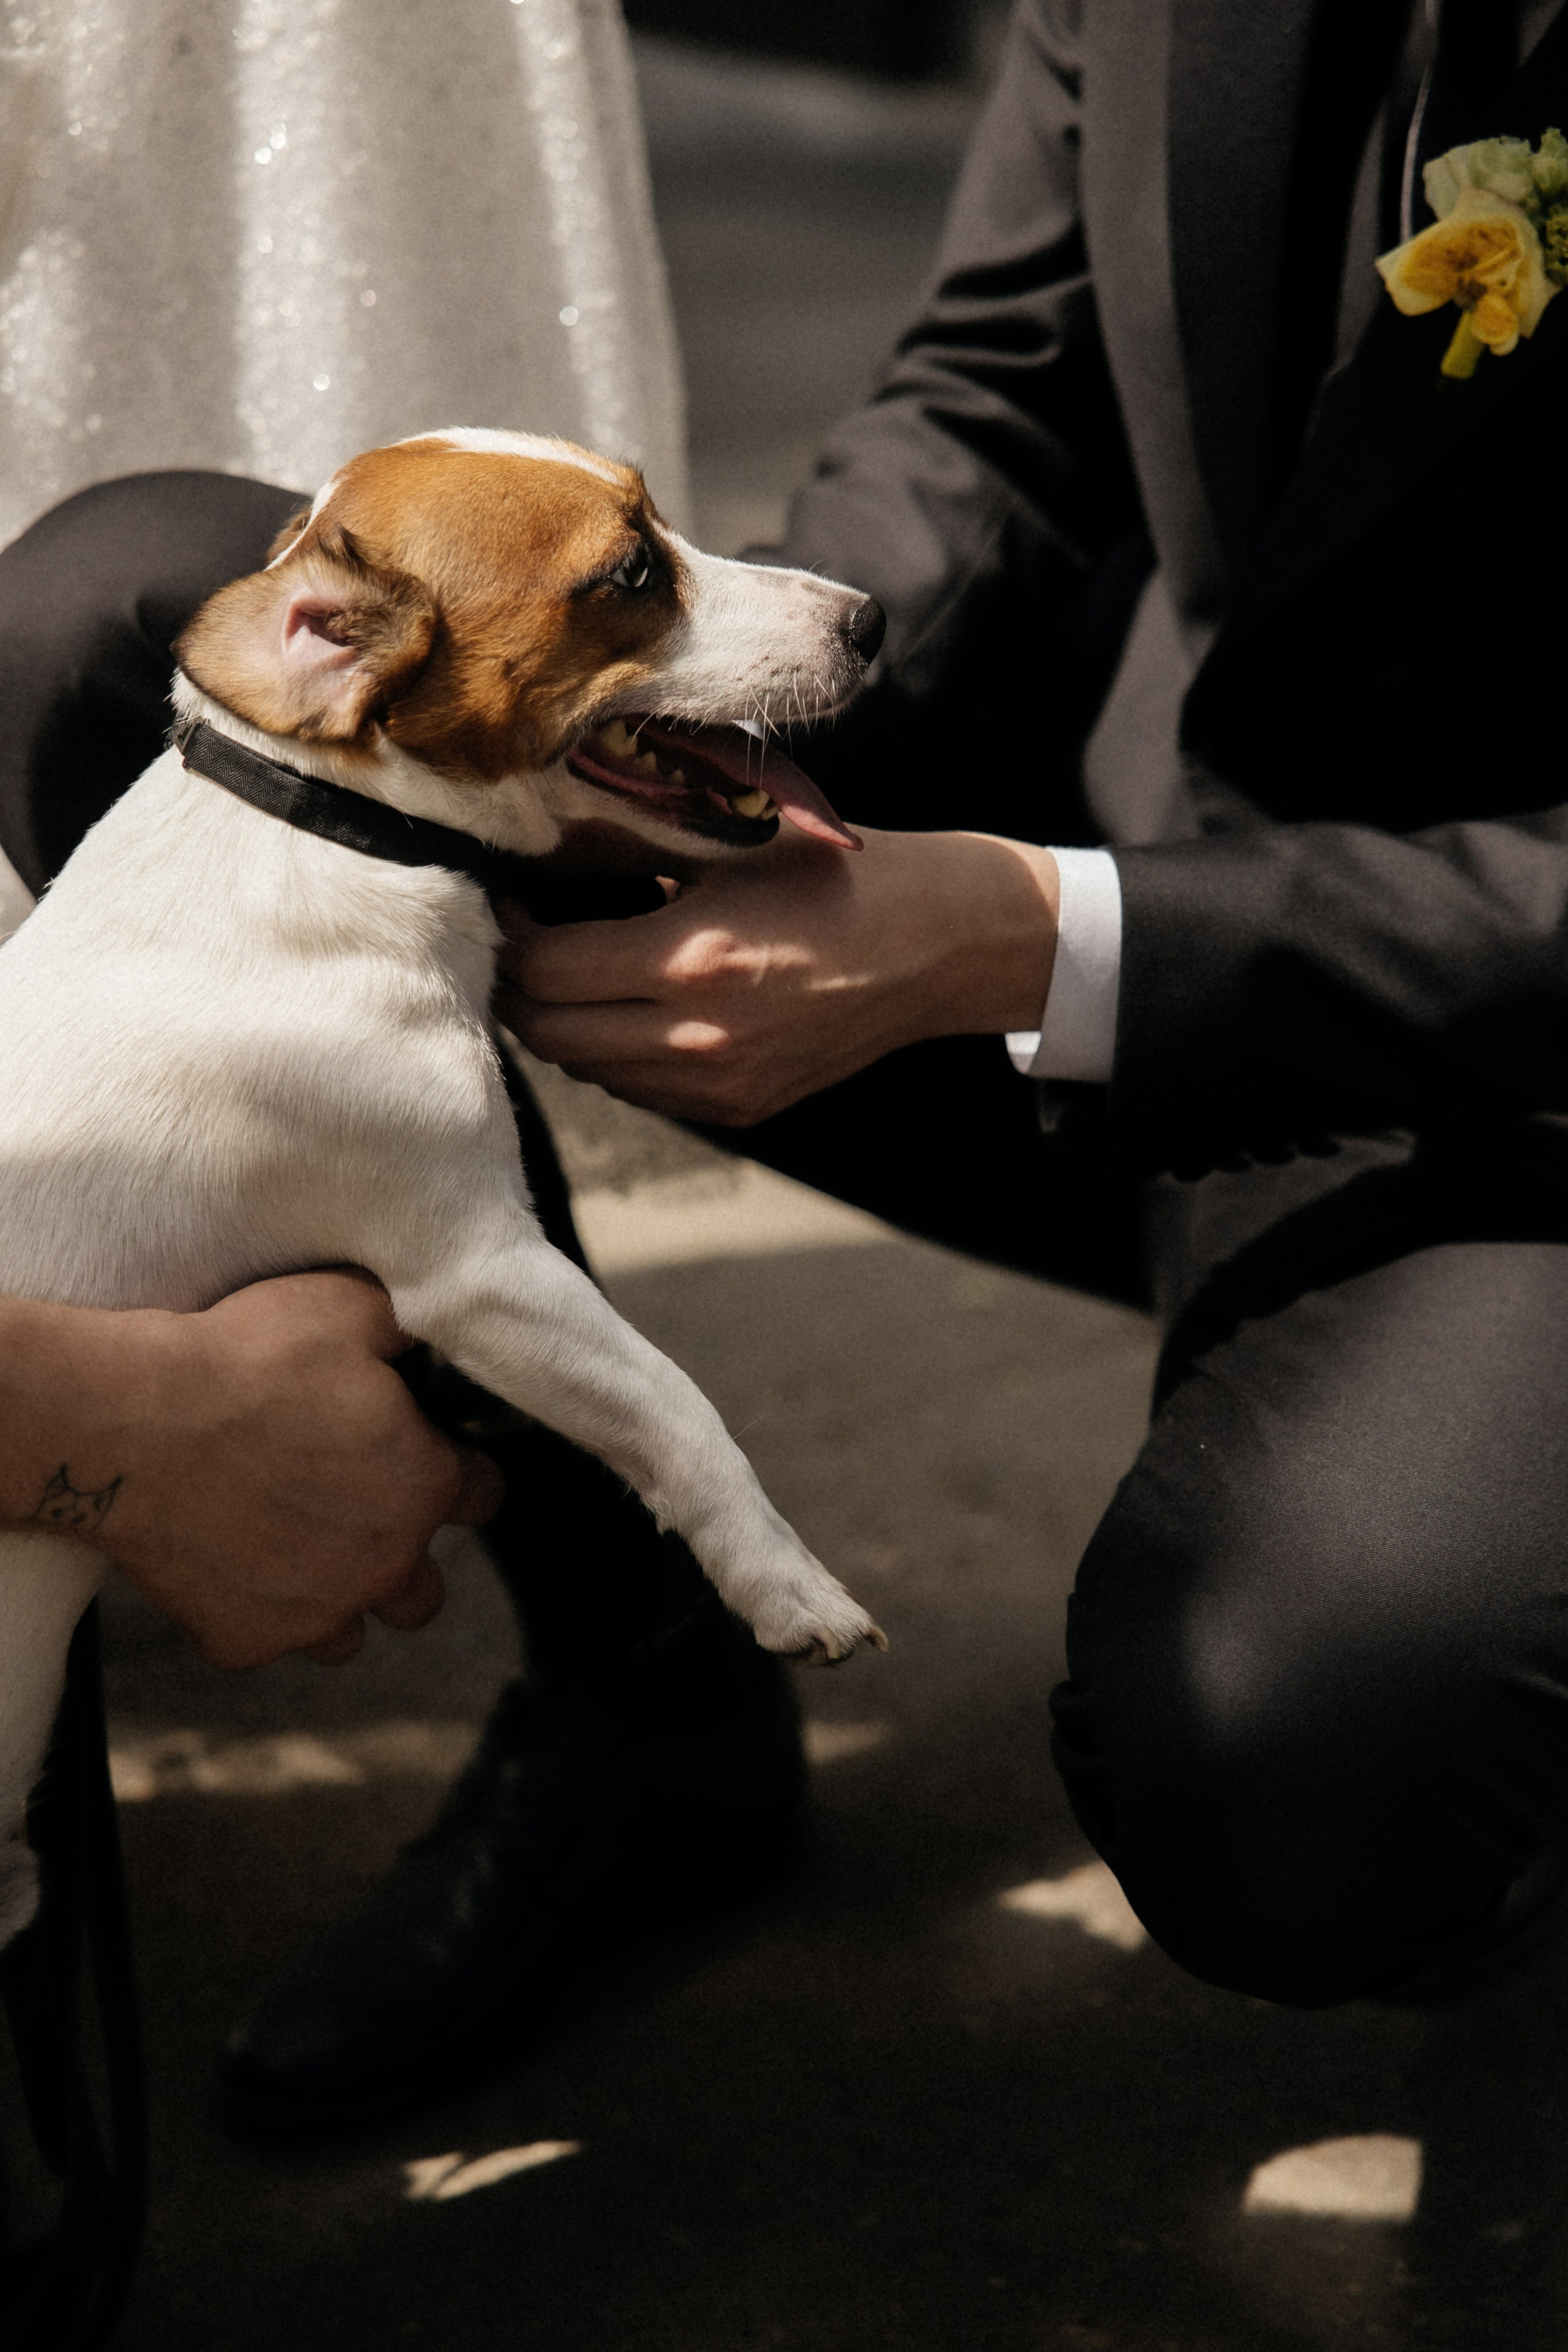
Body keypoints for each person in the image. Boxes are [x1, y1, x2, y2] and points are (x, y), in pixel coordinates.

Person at [8, 0, 1568, 2135]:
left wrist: (1038, 934)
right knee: (106, 617)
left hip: (1507, 1071)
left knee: (1304, 1769)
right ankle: (648, 1687)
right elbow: (999, 387)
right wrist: (727, 706)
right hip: (1114, 783)